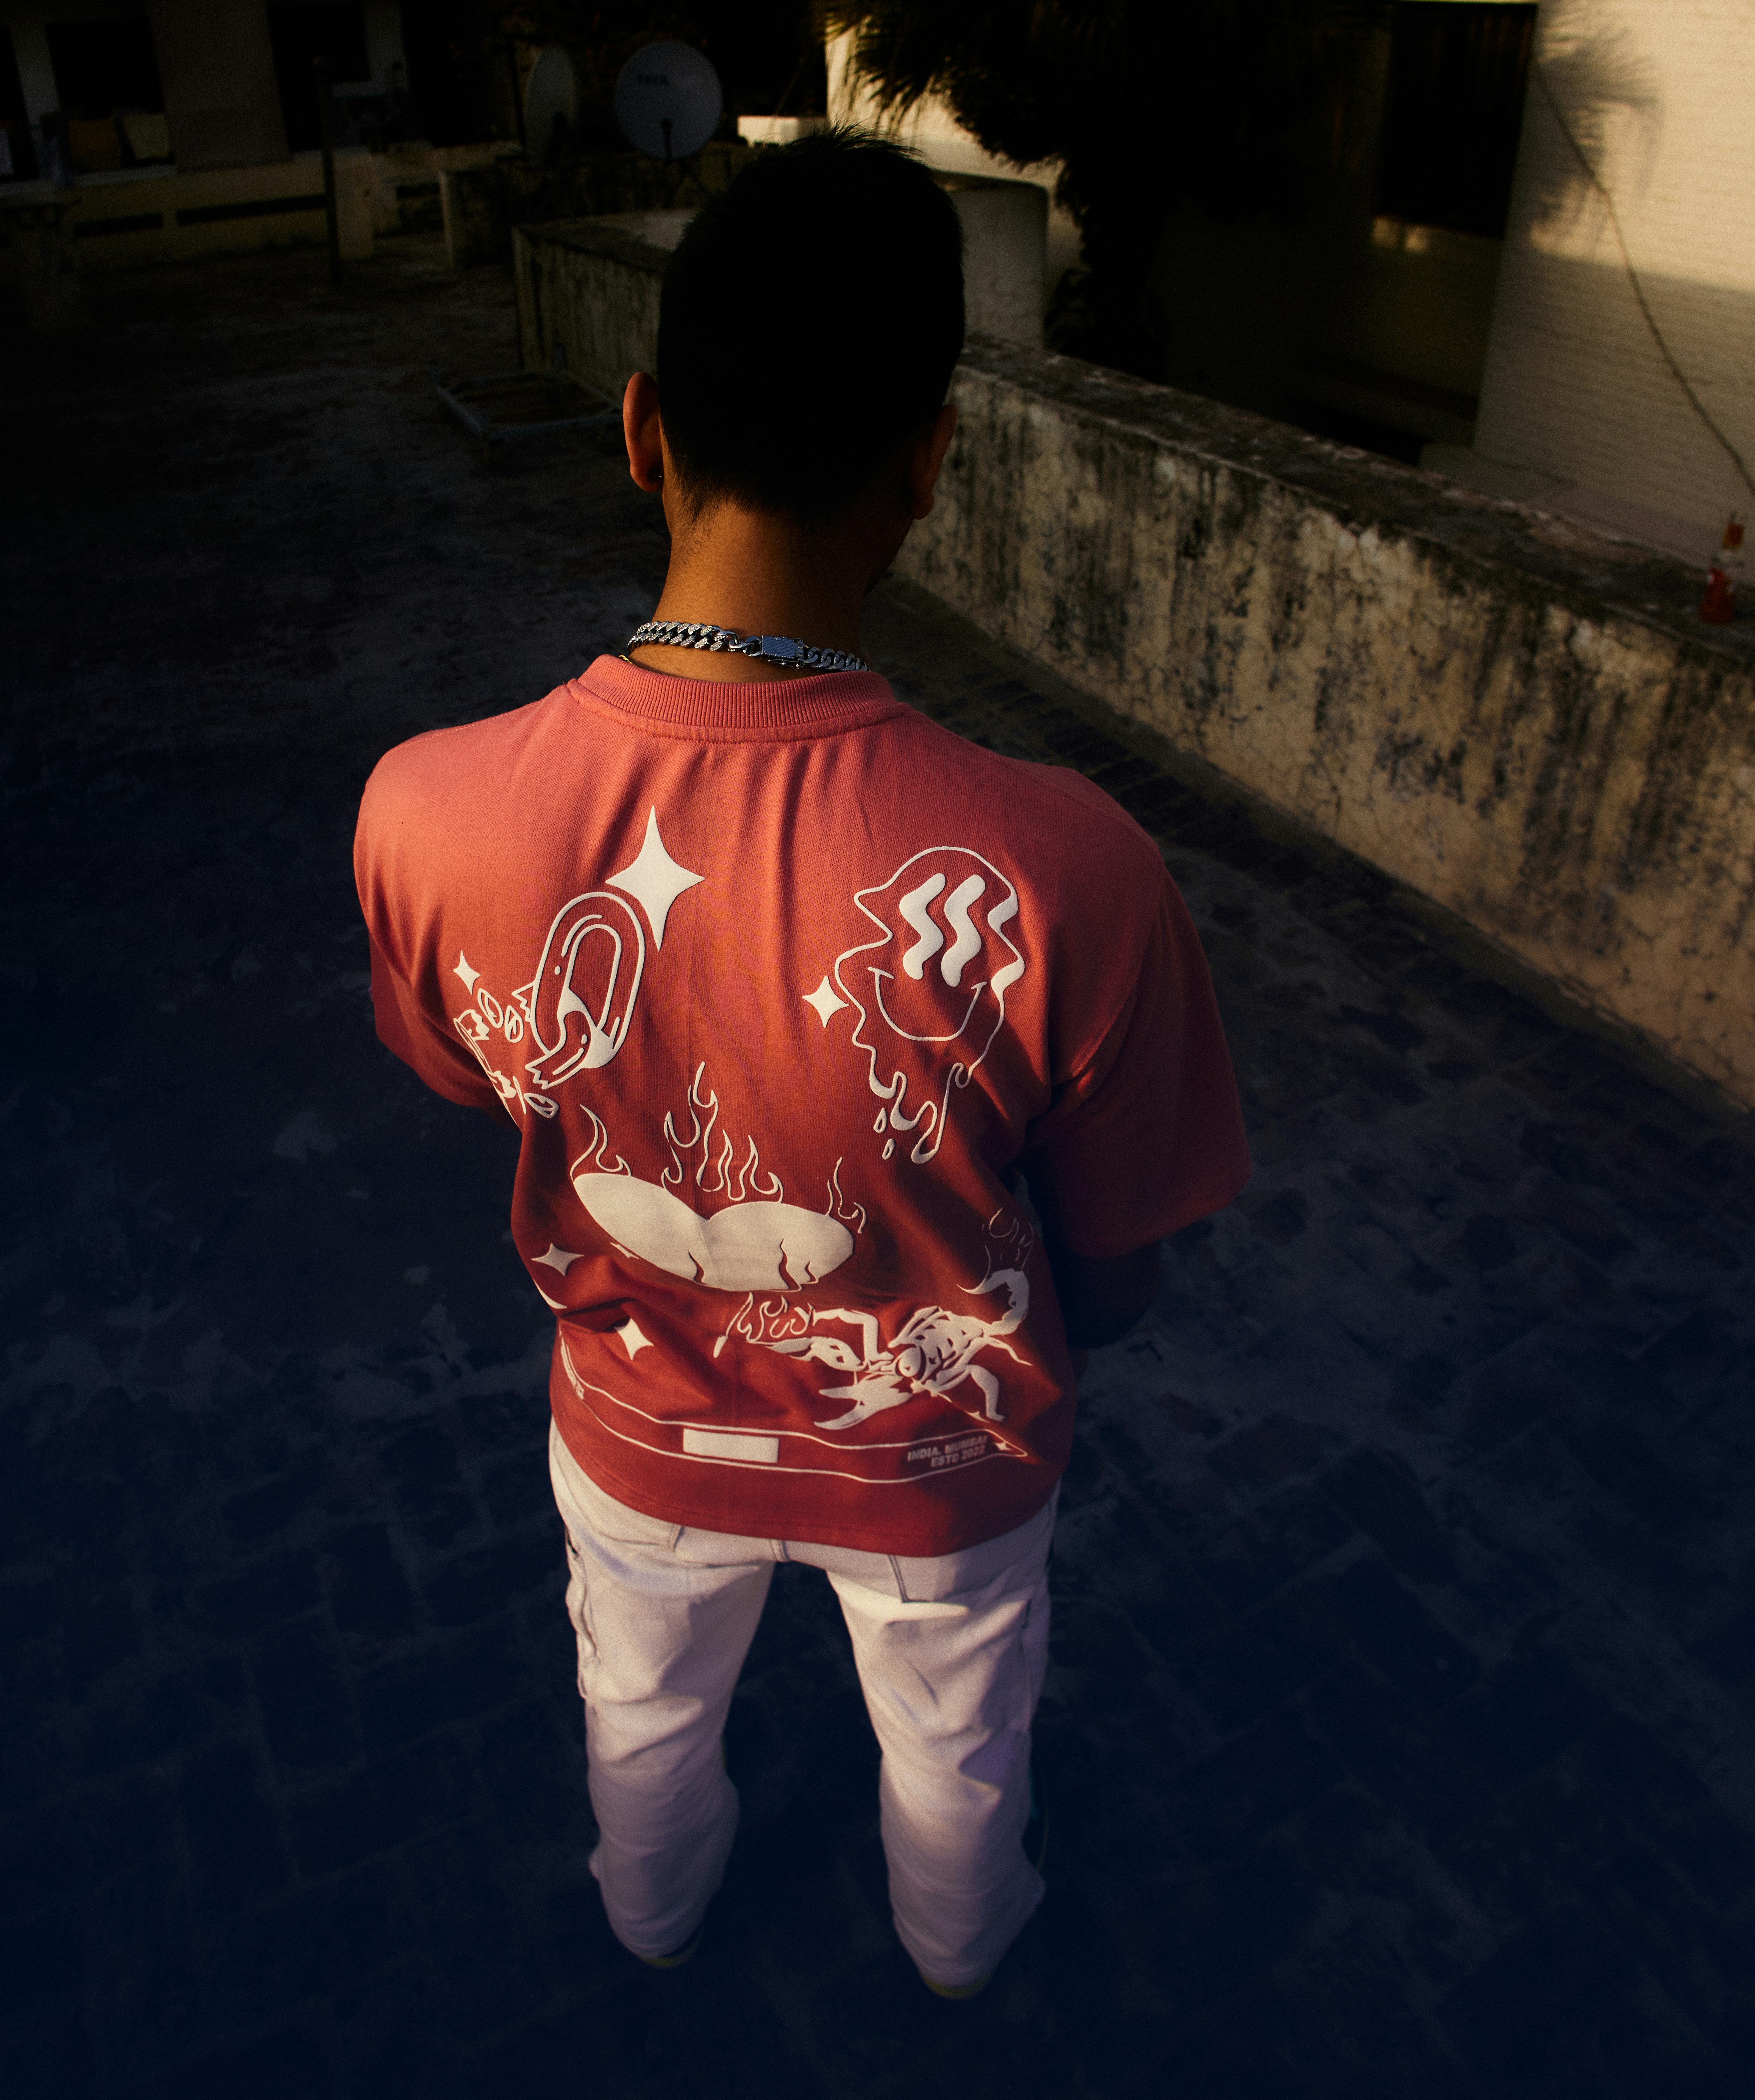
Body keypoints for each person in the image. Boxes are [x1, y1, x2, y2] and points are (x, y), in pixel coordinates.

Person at [353, 130, 1250, 1999]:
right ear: (931, 460)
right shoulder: (1070, 864)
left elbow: (478, 1087)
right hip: (944, 1463)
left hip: (633, 1433)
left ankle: (651, 1918)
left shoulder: (426, 812)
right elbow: (1130, 1261)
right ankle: (958, 1950)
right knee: (959, 1744)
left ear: (636, 425)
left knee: (641, 1710)